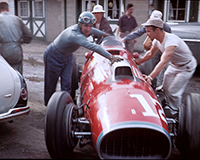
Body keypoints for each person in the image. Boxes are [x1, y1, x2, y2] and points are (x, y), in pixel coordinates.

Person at [43, 11, 123, 106]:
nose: (88, 29)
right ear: (80, 24)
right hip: (54, 55)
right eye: (86, 26)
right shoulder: (75, 35)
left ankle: (66, 105)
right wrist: (110, 57)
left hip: (68, 56)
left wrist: (110, 37)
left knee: (67, 83)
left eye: (90, 26)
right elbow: (94, 47)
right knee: (51, 83)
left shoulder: (86, 29)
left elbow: (97, 32)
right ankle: (49, 106)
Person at [135, 18, 197, 118]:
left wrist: (150, 77)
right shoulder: (156, 41)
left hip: (186, 67)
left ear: (157, 30)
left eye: (148, 31)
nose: (146, 34)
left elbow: (163, 62)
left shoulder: (171, 41)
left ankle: (175, 115)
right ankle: (167, 106)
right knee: (164, 88)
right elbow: (150, 53)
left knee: (173, 92)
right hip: (174, 65)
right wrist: (137, 62)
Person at [123, 10, 171, 88]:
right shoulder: (149, 26)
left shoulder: (166, 28)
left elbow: (168, 42)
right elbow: (138, 32)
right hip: (155, 47)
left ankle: (160, 87)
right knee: (151, 66)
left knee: (163, 68)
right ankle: (153, 84)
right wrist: (125, 39)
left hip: (164, 49)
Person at [0, 1, 33, 75]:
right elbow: (29, 35)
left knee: (4, 74)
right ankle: (20, 86)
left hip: (3, 51)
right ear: (8, 9)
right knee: (18, 74)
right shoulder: (17, 19)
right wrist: (22, 41)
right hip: (16, 50)